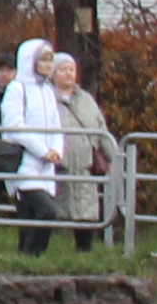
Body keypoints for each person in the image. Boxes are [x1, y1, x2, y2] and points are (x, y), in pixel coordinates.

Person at [0, 36, 65, 253]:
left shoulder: (48, 90)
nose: (49, 65)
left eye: (51, 60)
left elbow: (57, 125)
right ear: (31, 61)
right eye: (44, 60)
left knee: (30, 218)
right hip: (24, 163)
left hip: (46, 166)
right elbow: (15, 126)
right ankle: (29, 257)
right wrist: (42, 150)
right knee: (46, 212)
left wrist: (57, 150)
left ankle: (30, 261)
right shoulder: (17, 88)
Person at [50, 50, 117, 251]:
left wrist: (111, 158)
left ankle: (84, 252)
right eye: (63, 70)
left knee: (86, 213)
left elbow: (100, 129)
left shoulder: (86, 99)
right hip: (59, 169)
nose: (69, 74)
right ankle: (47, 255)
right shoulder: (46, 99)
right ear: (53, 73)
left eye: (72, 69)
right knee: (55, 211)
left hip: (85, 167)